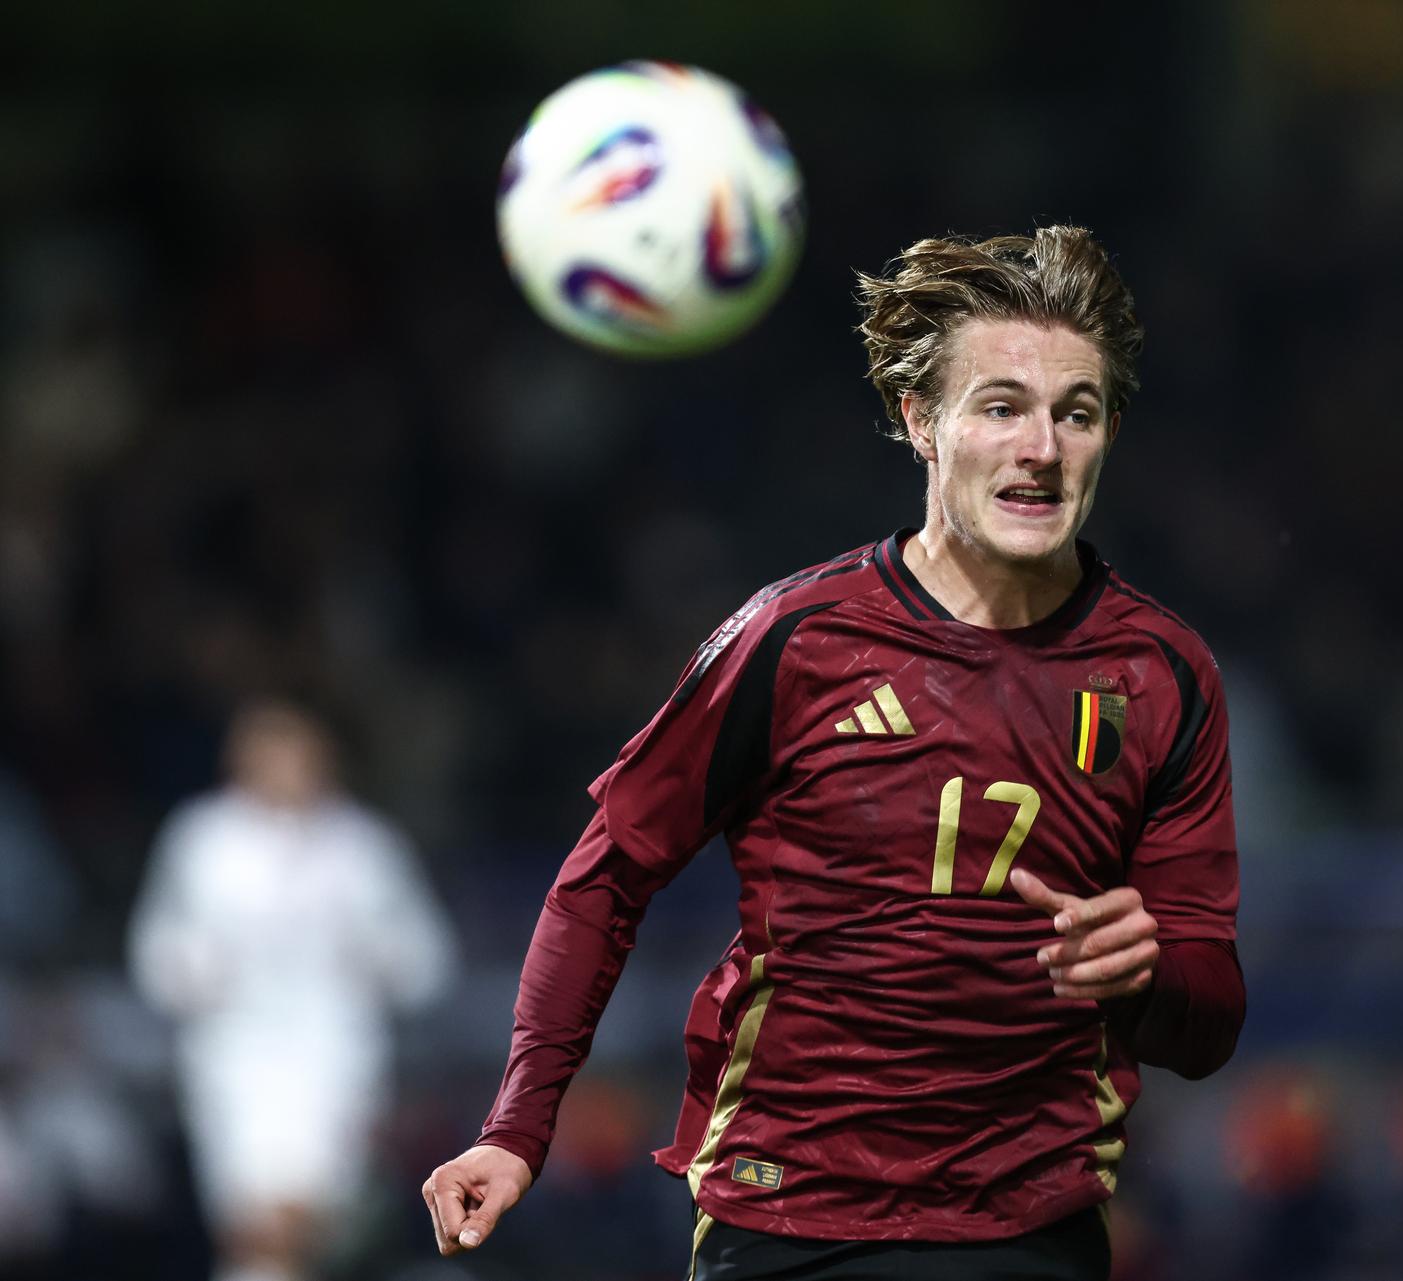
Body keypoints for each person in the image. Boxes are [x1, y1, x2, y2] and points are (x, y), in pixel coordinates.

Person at [422, 226, 1245, 1280]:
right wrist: (517, 1125)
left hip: (1030, 1230)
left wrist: (1144, 979)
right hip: (789, 1213)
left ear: (1108, 432)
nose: (1041, 445)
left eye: (1074, 413)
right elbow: (605, 878)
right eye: (1001, 406)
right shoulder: (795, 641)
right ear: (922, 423)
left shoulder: (1162, 673)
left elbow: (1209, 1020)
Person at [130, 699, 458, 1281]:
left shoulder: (364, 848)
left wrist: (381, 962)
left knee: (307, 1224)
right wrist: (193, 971)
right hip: (235, 1057)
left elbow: (425, 959)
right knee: (251, 1224)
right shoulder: (203, 840)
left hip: (334, 1060)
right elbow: (157, 950)